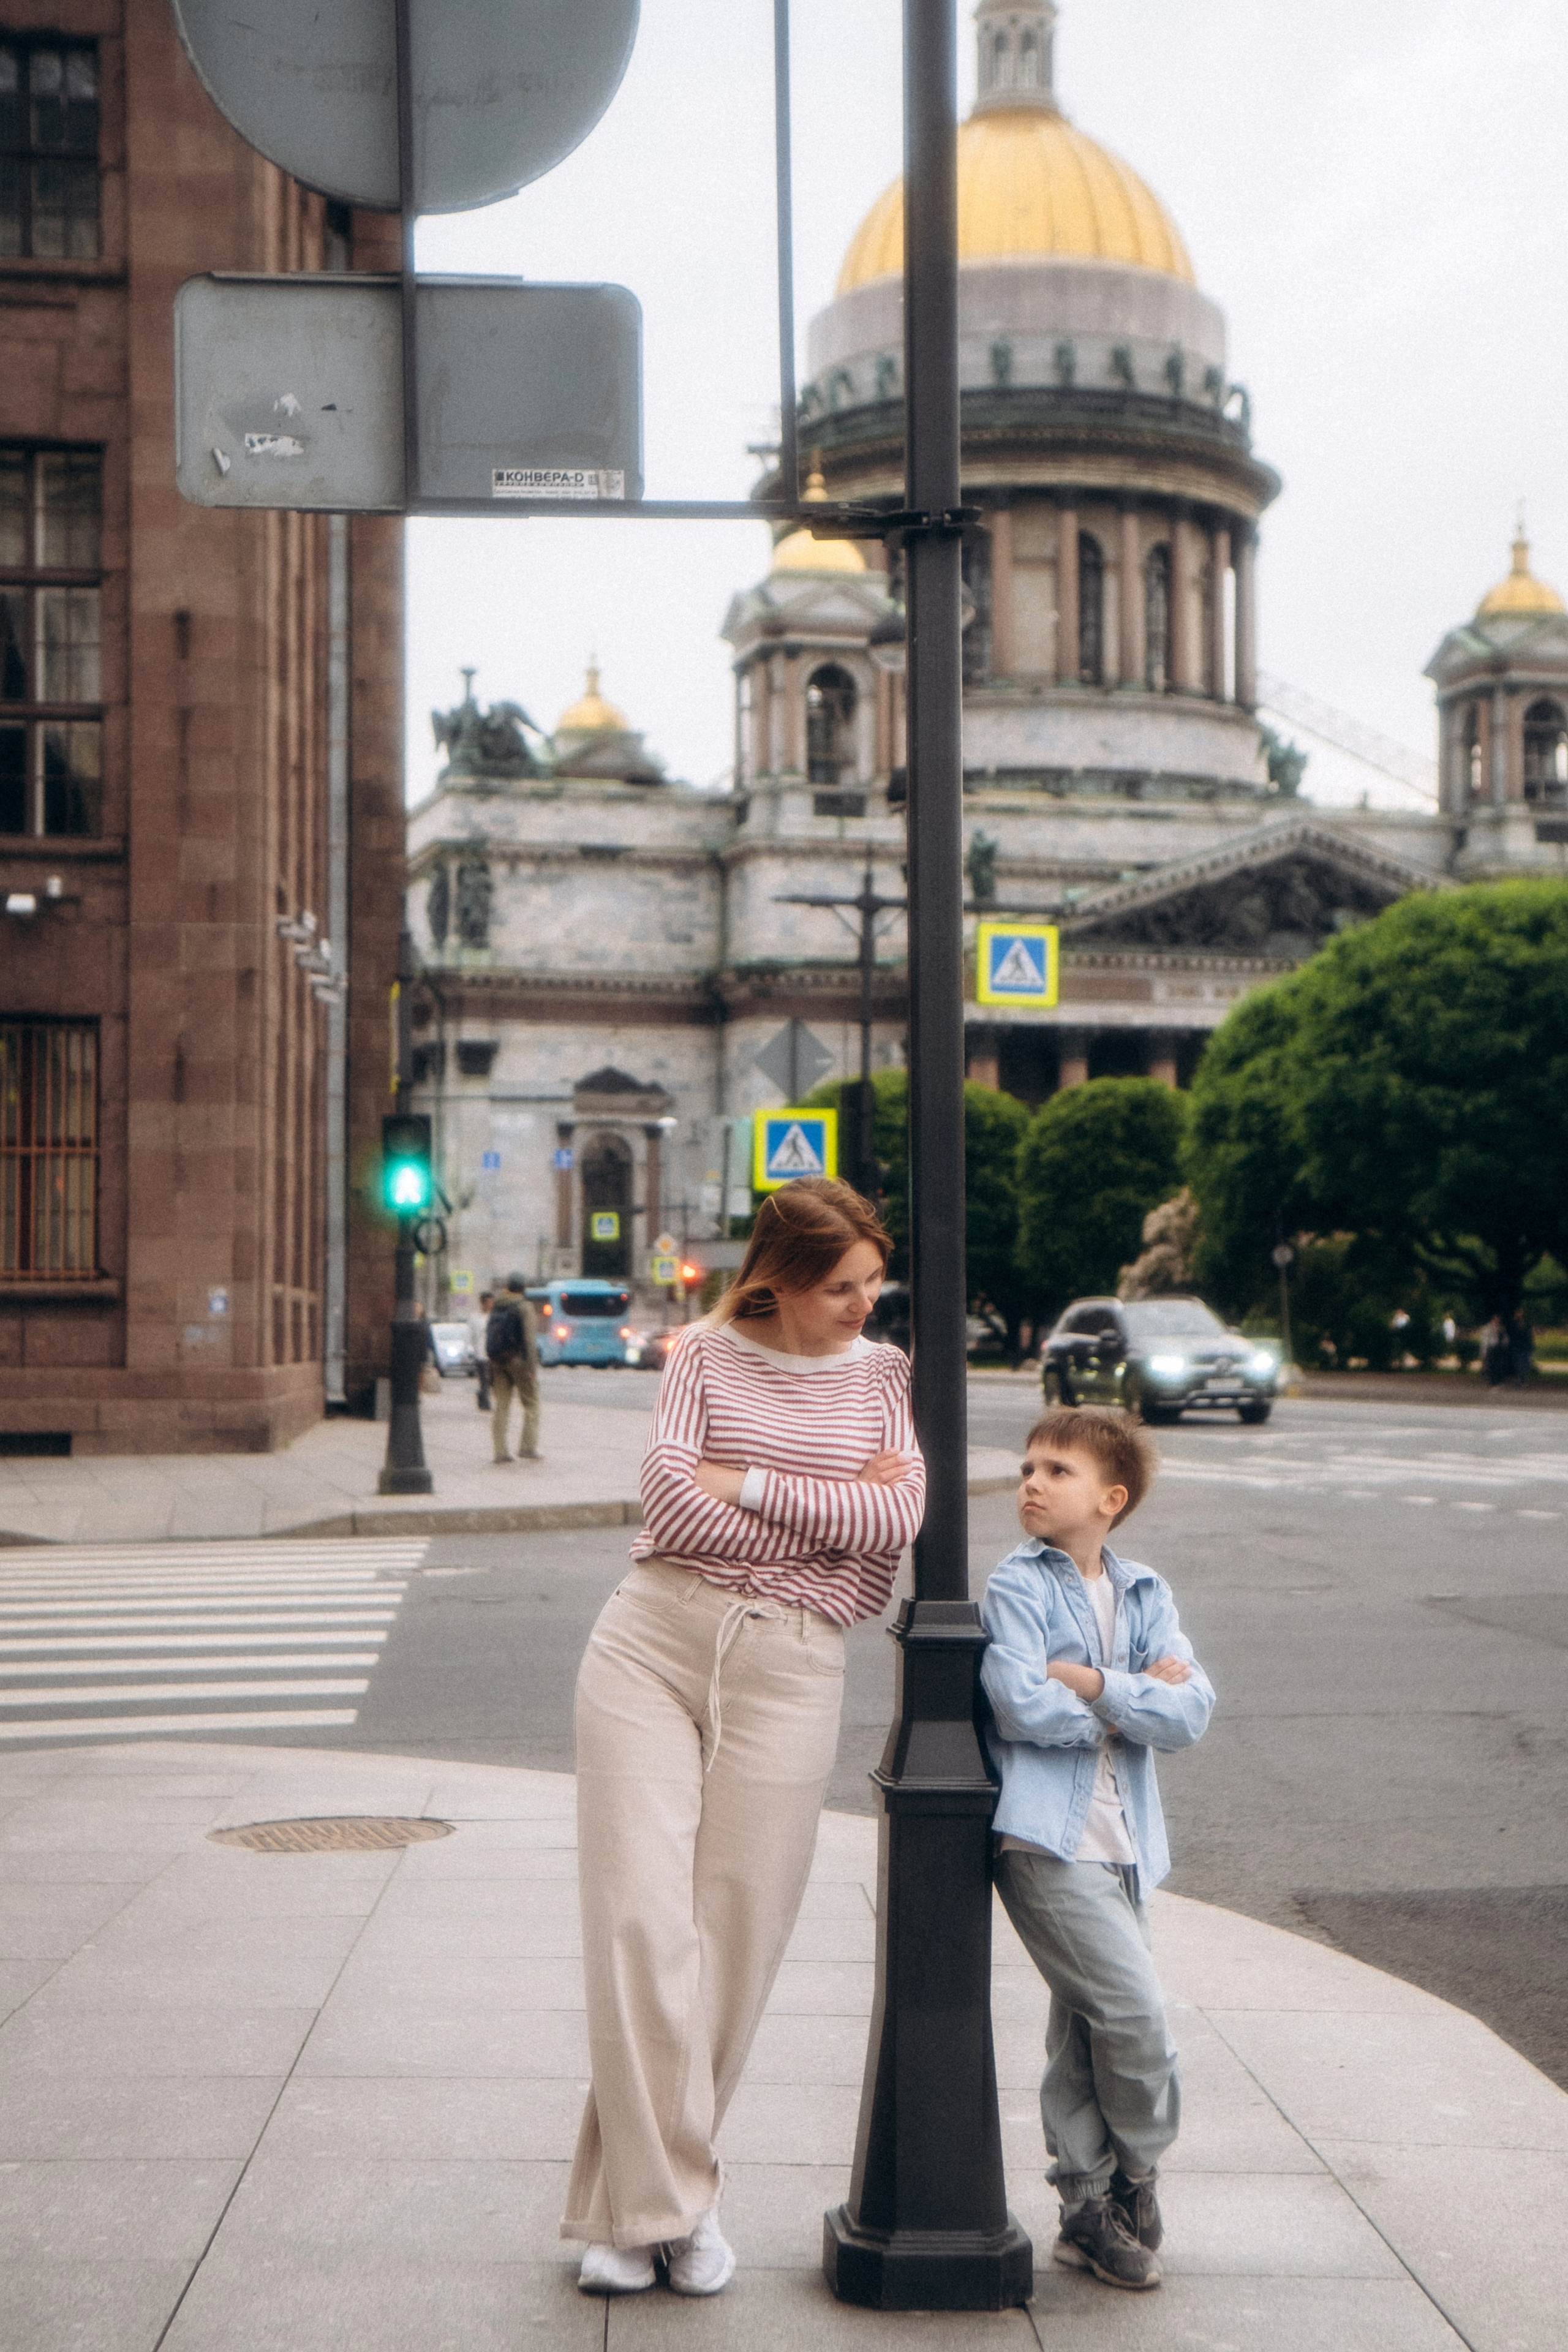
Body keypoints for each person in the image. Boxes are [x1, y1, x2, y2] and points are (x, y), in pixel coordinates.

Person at [563, 1177, 924, 2298]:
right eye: (842, 1286)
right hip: (651, 1644)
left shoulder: (884, 1376)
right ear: (780, 1279)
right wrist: (822, 1509)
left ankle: (646, 2211)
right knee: (640, 1925)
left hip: (793, 1667)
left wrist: (747, 1483)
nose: (864, 1304)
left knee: (735, 1939)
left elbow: (894, 1524)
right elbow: (670, 1506)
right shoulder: (703, 1359)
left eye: (873, 1282)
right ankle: (668, 2206)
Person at [980, 1406, 1215, 2293]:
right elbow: (1018, 1706)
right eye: (1028, 1468)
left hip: (1128, 1845)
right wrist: (1128, 1701)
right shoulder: (1018, 1584)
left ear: (1111, 1499)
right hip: (1047, 1840)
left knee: (1090, 2027)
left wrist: (1088, 1682)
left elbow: (1188, 1714)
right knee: (1134, 2017)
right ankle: (1136, 2177)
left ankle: (1088, 2210)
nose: (1032, 1483)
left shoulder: (1146, 1591)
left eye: (1057, 1471)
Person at [486, 1274, 540, 1462]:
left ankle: (500, 1452)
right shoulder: (524, 1307)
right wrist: (532, 1369)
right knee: (531, 1403)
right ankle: (527, 1448)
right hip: (518, 1360)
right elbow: (529, 1340)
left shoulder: (497, 1305)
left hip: (497, 1359)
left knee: (501, 1405)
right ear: (523, 1288)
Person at [469, 1289, 494, 1412]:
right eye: (488, 1303)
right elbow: (471, 1335)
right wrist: (471, 1350)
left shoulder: (493, 1317)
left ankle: (482, 1395)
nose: (490, 1305)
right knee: (484, 1378)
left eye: (492, 1303)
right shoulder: (475, 1318)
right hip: (480, 1353)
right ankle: (485, 1401)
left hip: (492, 1353)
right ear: (482, 1303)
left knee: (491, 1379)